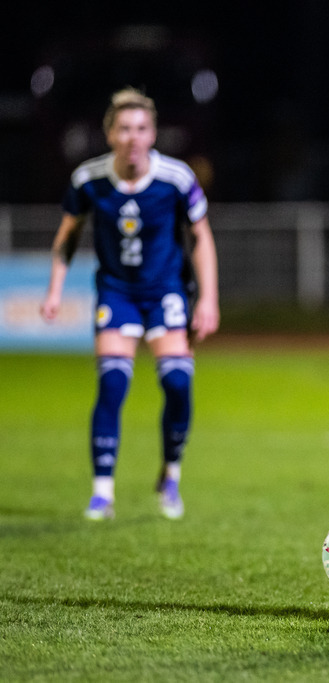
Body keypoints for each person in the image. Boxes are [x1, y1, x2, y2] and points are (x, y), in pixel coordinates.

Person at [40, 88, 219, 521]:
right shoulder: (89, 179)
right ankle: (102, 491)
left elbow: (201, 238)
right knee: (113, 382)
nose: (133, 137)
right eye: (124, 129)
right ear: (109, 134)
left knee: (177, 382)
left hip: (166, 294)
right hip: (117, 293)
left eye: (141, 128)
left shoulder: (176, 178)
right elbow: (67, 236)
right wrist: (55, 290)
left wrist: (209, 299)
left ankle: (170, 473)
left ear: (153, 133)